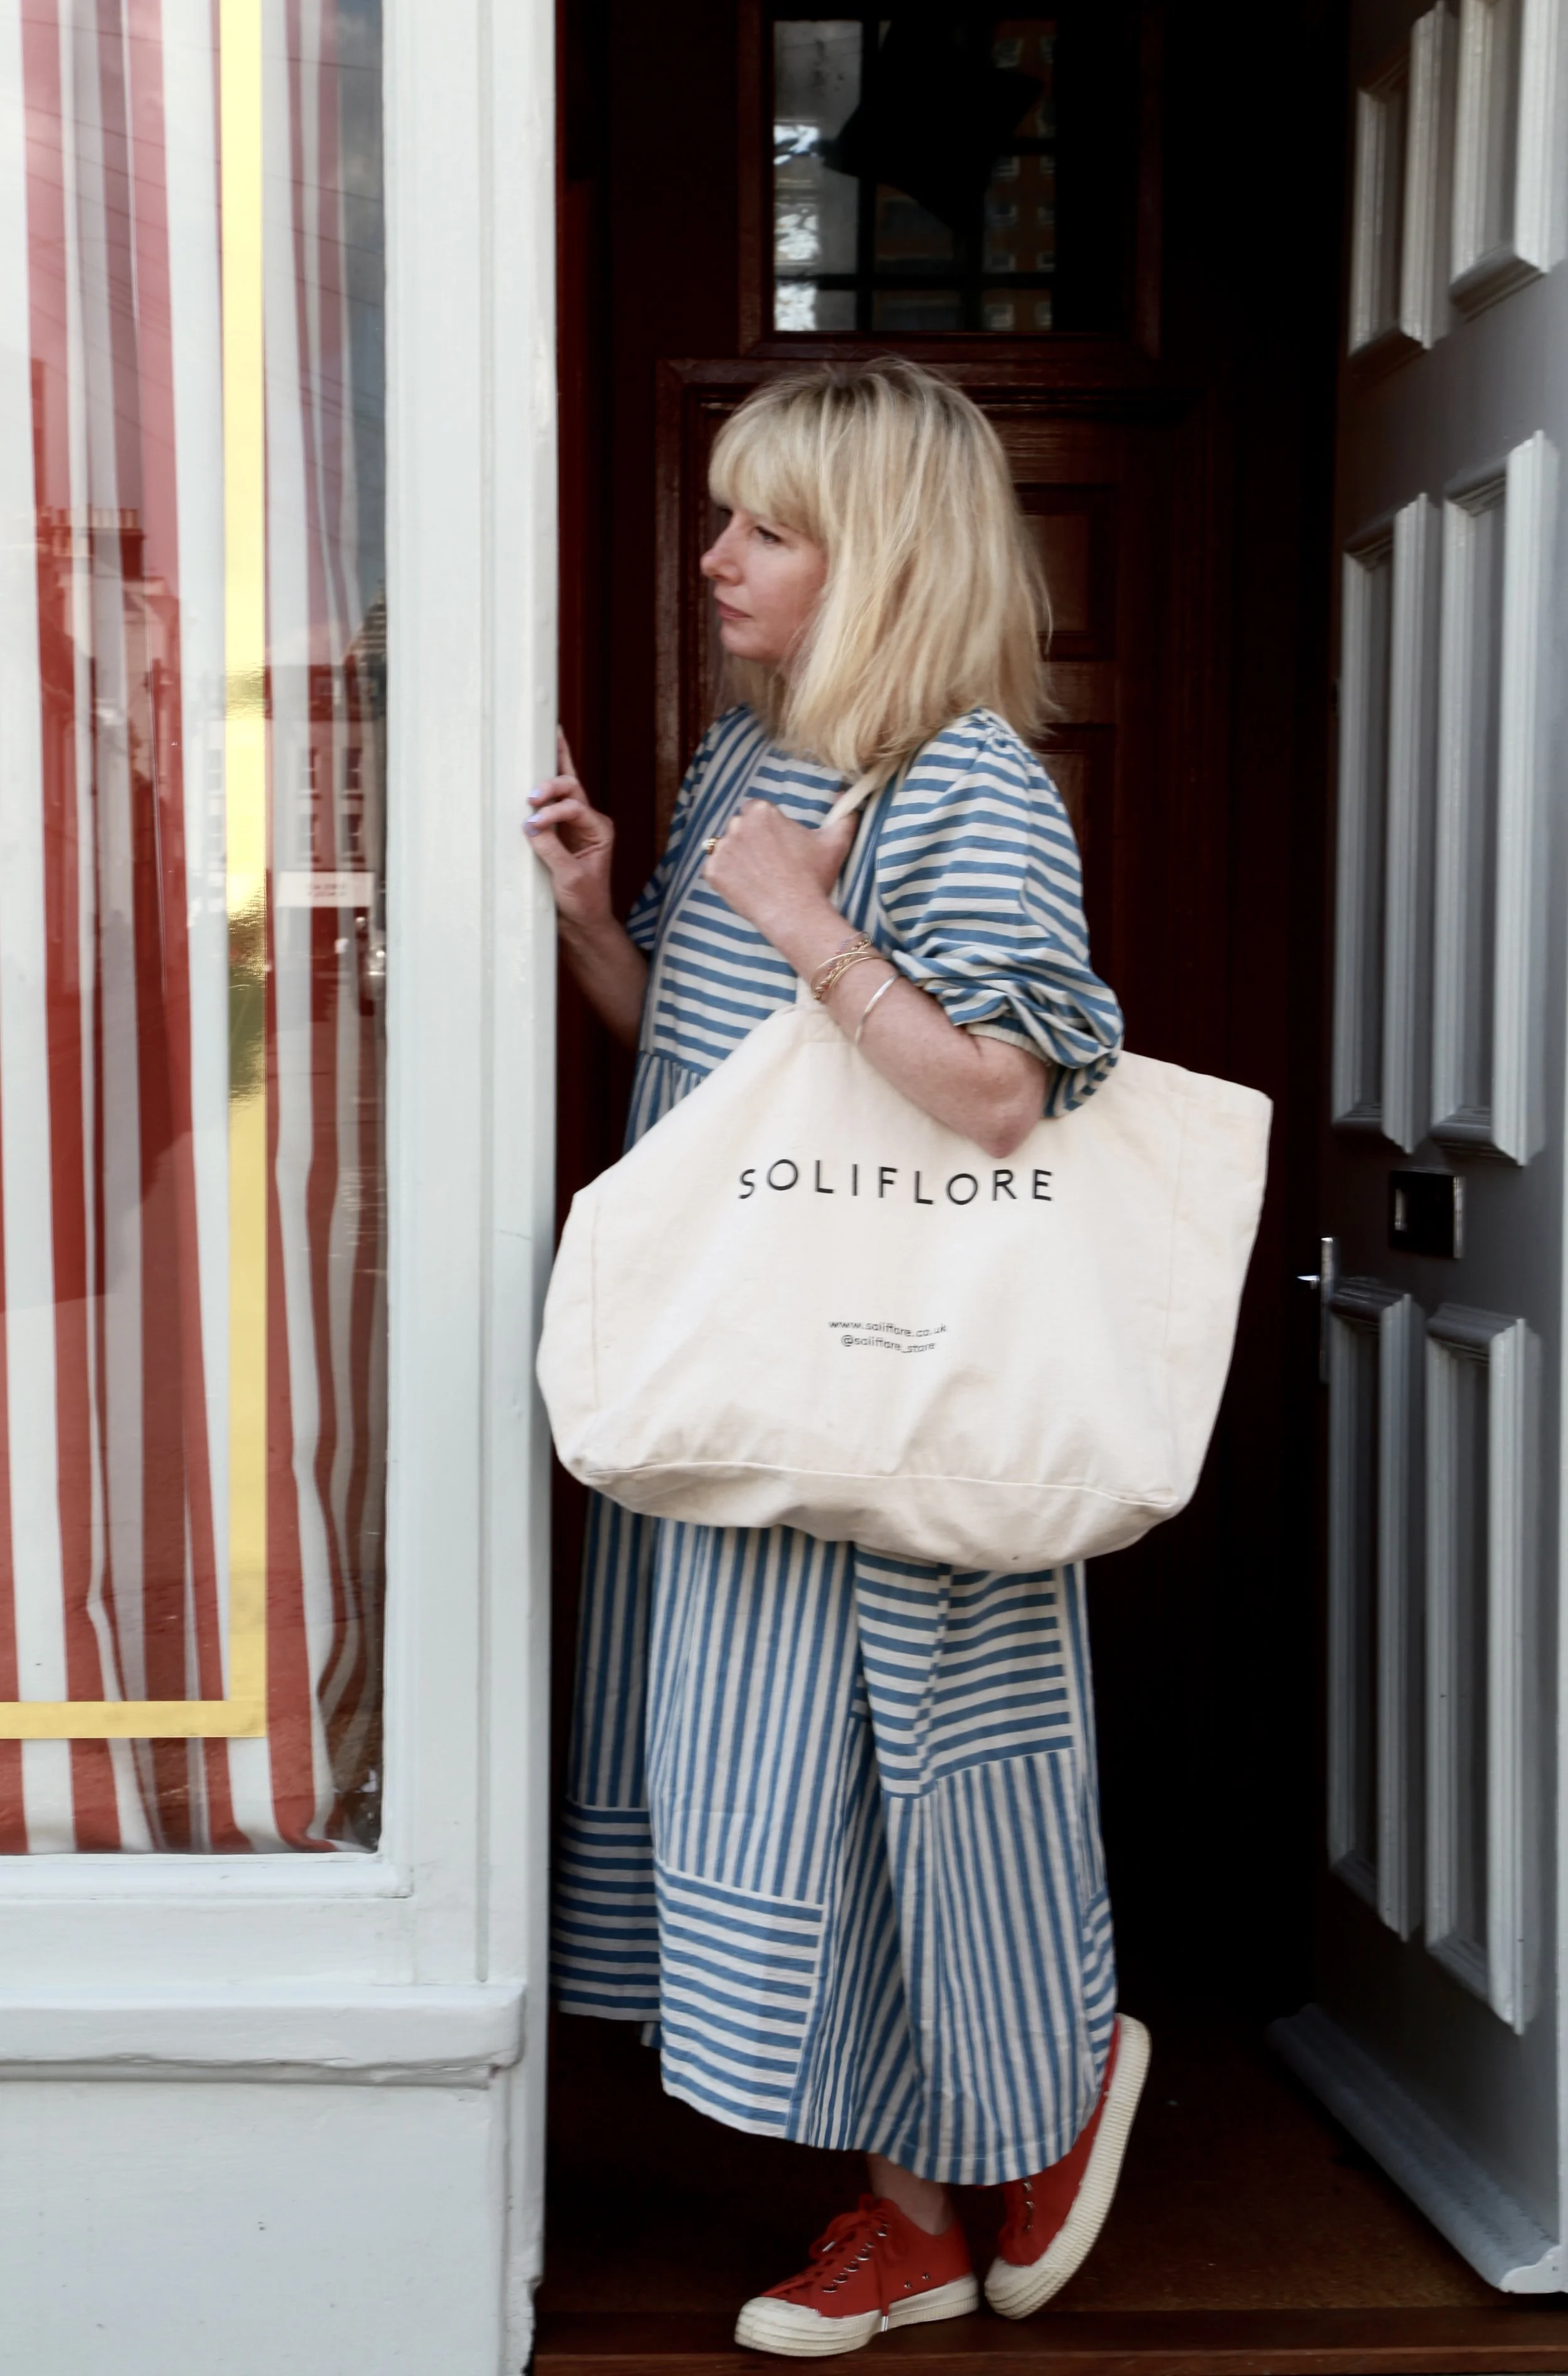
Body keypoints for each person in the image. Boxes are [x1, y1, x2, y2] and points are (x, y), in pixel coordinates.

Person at [528, 358, 1147, 2358]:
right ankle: (900, 2212)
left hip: (888, 1386)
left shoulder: (969, 787)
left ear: (879, 557)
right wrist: (589, 917)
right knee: (803, 1802)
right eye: (724, 513)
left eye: (765, 525)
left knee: (928, 1791)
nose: (714, 555)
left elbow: (992, 1096)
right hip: (747, 1378)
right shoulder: (742, 765)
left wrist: (805, 919)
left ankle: (1050, 2093)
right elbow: (716, 1089)